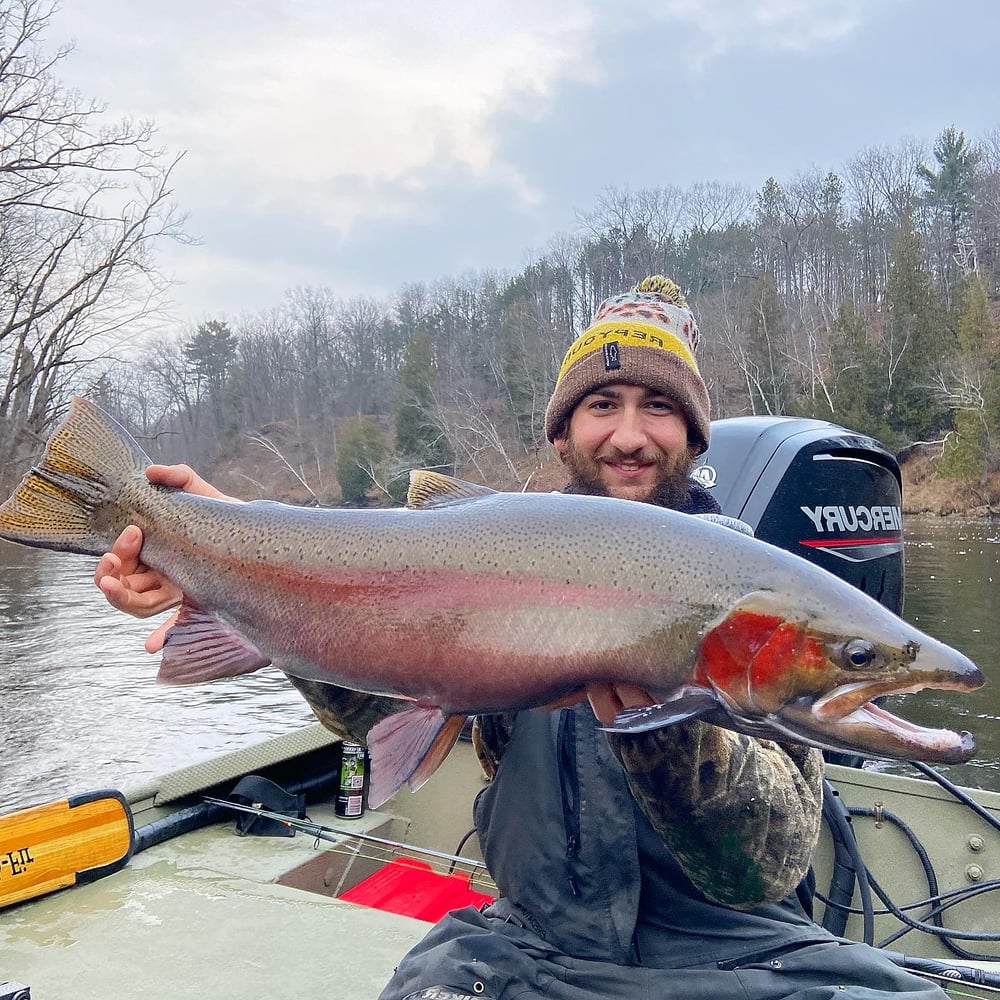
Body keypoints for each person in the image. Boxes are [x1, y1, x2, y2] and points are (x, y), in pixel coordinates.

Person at [94, 277, 947, 1000]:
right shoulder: (492, 561)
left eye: (659, 408)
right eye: (602, 405)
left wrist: (665, 738)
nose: (628, 434)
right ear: (562, 432)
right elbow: (376, 717)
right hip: (531, 951)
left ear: (693, 436)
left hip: (736, 954)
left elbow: (761, 871)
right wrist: (229, 553)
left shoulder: (758, 588)